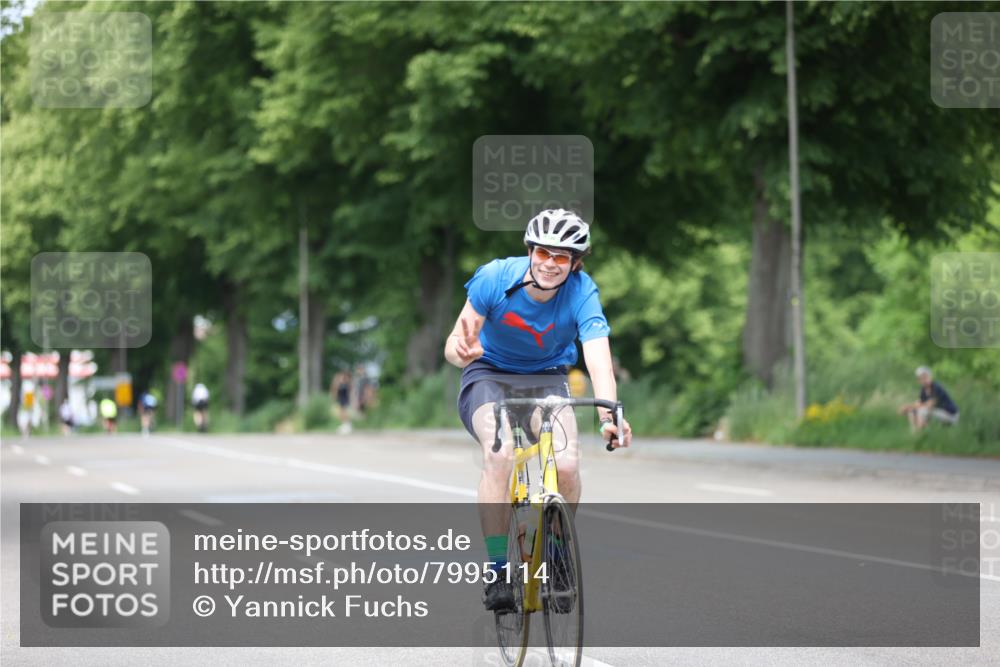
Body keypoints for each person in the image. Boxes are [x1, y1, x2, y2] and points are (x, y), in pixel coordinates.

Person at [444, 208, 632, 612]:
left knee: (566, 464)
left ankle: (558, 556)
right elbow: (455, 342)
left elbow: (598, 356)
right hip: (487, 374)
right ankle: (498, 571)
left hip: (546, 377)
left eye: (561, 257)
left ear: (575, 263)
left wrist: (609, 416)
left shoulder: (582, 292)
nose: (550, 264)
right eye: (543, 253)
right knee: (500, 456)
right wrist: (462, 351)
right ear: (530, 251)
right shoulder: (495, 278)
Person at [898, 366, 959, 432]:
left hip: (950, 415)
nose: (924, 380)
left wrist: (908, 406)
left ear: (930, 377)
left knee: (922, 411)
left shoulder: (937, 387)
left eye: (925, 377)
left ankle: (920, 433)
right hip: (939, 413)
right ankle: (916, 433)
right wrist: (909, 408)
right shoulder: (924, 389)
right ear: (919, 380)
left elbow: (930, 404)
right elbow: (920, 402)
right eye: (921, 378)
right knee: (912, 412)